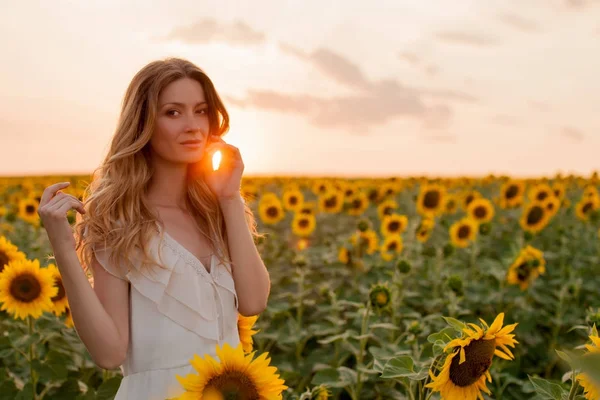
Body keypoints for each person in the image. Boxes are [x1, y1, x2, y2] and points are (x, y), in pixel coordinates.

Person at [37, 57, 271, 399]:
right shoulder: (118, 219)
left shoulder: (215, 210)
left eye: (201, 110)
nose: (193, 126)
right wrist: (63, 247)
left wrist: (230, 198)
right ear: (143, 123)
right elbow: (109, 352)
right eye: (173, 112)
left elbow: (253, 301)